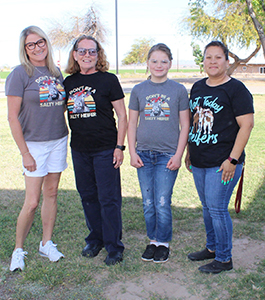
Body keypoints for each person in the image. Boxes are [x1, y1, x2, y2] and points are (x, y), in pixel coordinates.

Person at [185, 41, 254, 274]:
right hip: (200, 160)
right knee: (207, 208)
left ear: (226, 60)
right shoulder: (197, 87)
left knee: (216, 208)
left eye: (218, 57)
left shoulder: (236, 89)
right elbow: (194, 122)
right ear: (203, 61)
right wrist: (189, 151)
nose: (212, 62)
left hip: (224, 163)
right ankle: (212, 248)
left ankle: (224, 259)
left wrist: (233, 160)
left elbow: (247, 125)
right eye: (208, 57)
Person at [6, 26, 68, 272]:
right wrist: (25, 153)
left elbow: (60, 106)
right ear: (25, 49)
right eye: (30, 44)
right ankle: (18, 249)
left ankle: (46, 243)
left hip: (58, 140)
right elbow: (12, 117)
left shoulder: (56, 72)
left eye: (40, 42)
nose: (37, 47)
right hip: (33, 144)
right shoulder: (20, 74)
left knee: (51, 194)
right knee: (31, 202)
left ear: (46, 43)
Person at [63, 35, 127, 266]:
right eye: (82, 51)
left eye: (92, 51)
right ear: (74, 55)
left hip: (105, 149)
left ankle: (114, 246)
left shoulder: (108, 80)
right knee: (88, 196)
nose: (87, 55)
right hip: (80, 149)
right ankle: (95, 239)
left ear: (98, 55)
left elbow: (121, 114)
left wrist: (119, 147)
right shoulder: (68, 83)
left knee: (108, 198)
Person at [127, 43, 190, 263]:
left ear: (170, 63)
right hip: (143, 154)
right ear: (147, 63)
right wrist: (132, 152)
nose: (159, 65)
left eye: (164, 61)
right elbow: (132, 123)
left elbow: (185, 125)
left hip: (167, 155)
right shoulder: (138, 90)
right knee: (148, 202)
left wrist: (178, 154)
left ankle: (163, 242)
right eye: (154, 61)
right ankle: (152, 240)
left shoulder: (178, 90)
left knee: (162, 200)